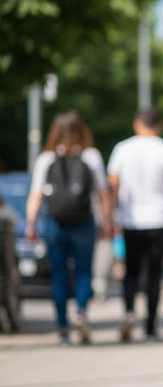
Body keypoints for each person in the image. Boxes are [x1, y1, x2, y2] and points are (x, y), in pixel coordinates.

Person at [25, 111, 112, 344]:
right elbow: (103, 193)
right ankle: (81, 312)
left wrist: (31, 224)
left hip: (55, 224)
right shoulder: (91, 156)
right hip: (84, 222)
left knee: (59, 274)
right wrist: (106, 222)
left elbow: (35, 195)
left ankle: (62, 327)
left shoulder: (46, 158)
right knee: (84, 271)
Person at [108, 108, 163, 342]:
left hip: (130, 220)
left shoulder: (122, 148)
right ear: (159, 125)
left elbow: (113, 186)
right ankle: (150, 326)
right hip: (159, 220)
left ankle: (129, 313)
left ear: (136, 124)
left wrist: (111, 217)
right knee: (154, 273)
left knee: (130, 271)